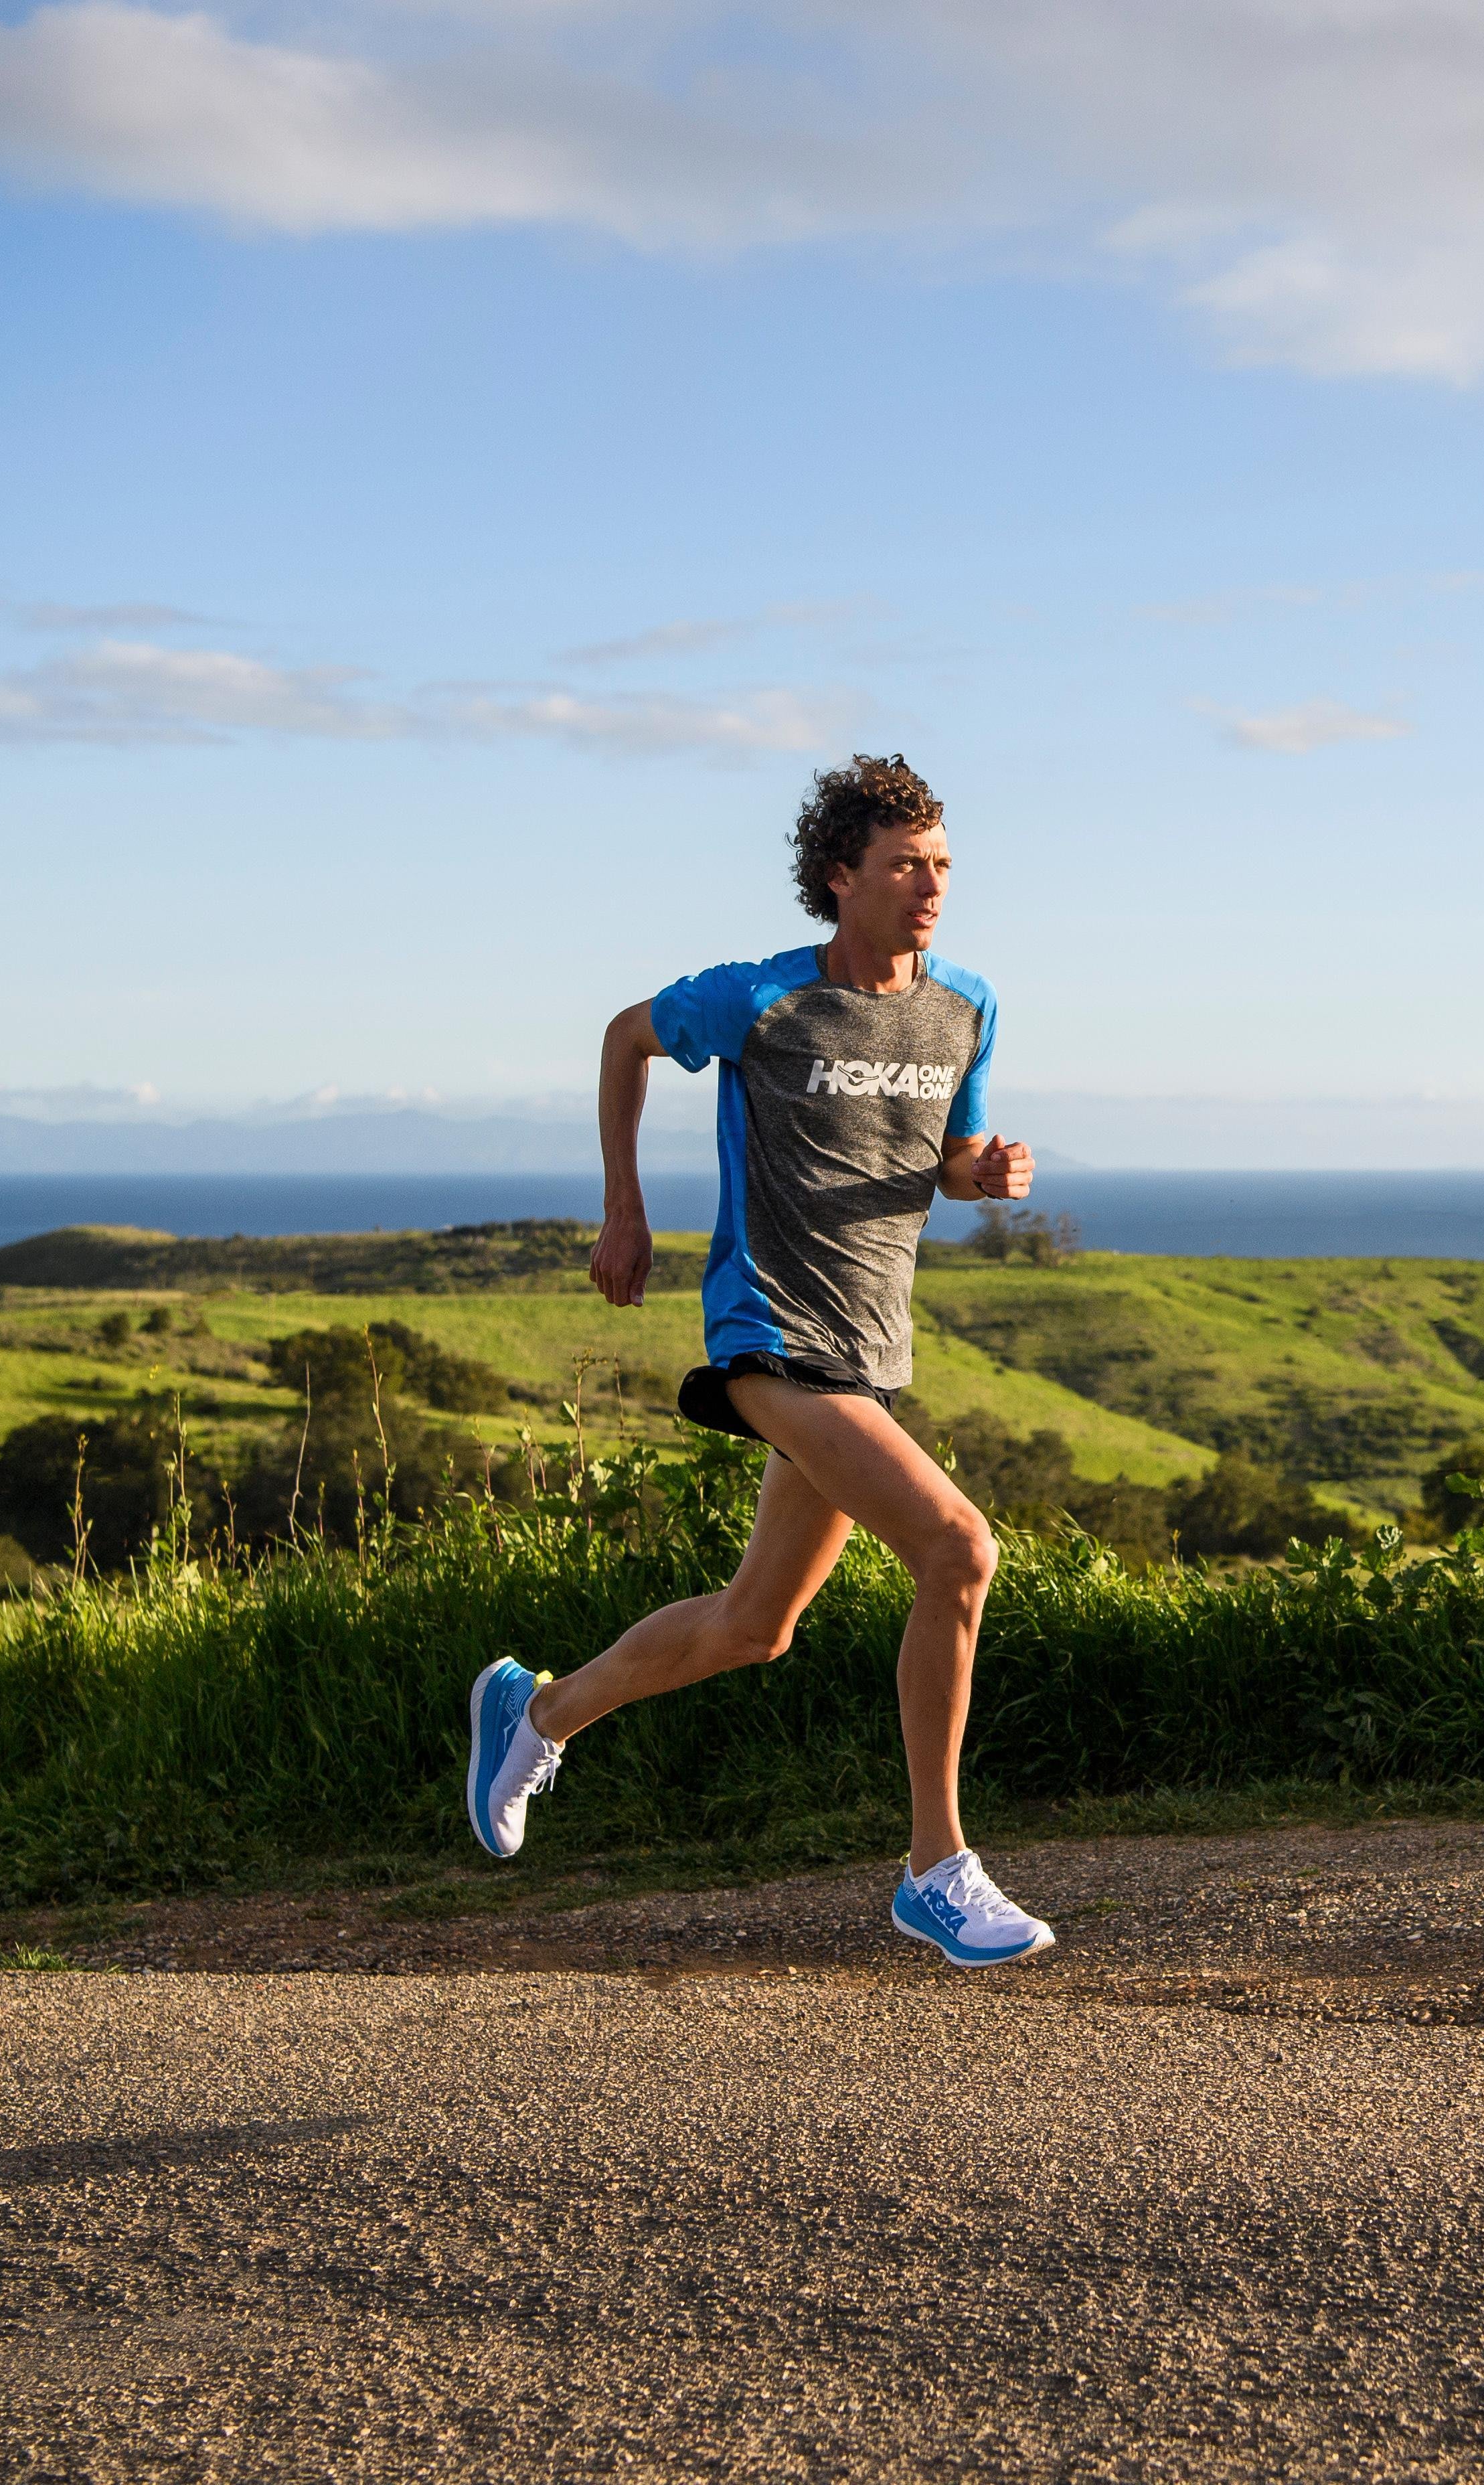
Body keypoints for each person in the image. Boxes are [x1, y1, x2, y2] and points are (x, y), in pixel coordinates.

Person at [461, 754, 1054, 1966]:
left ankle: (540, 1709)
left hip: (870, 1347)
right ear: (841, 880)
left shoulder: (969, 1007)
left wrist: (980, 1175)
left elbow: (947, 1150)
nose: (930, 884)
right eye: (904, 865)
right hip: (770, 1333)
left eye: (942, 863)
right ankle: (937, 1869)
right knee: (957, 1547)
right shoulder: (762, 998)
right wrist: (624, 1210)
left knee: (753, 1628)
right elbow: (626, 1039)